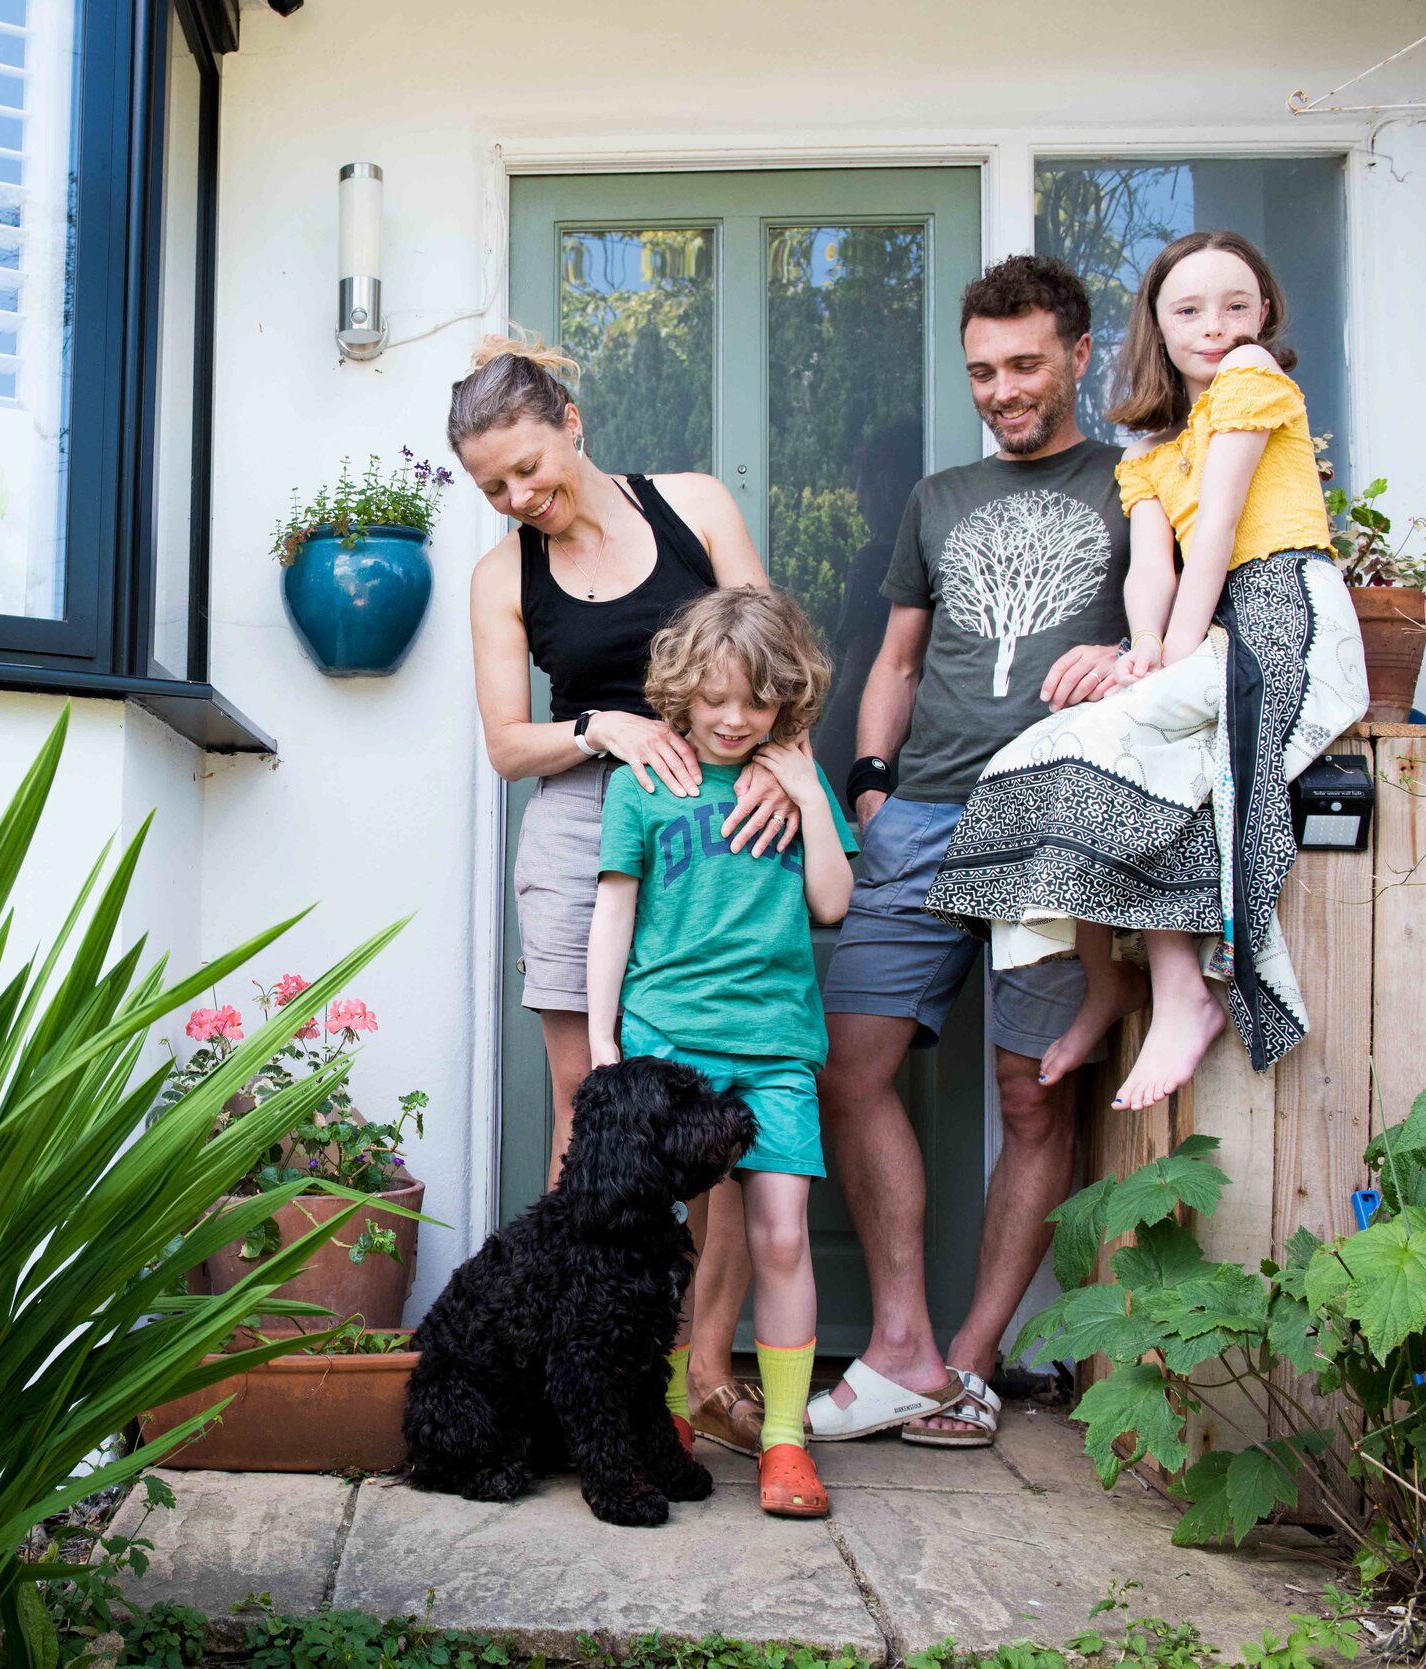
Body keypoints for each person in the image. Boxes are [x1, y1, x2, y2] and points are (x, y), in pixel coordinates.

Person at [811, 255, 1138, 1448]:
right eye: (981, 371)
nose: (1000, 389)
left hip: (1053, 811)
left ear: (1078, 356)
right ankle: (898, 1340)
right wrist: (869, 785)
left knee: (1031, 1090)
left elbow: (1177, 624)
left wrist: (1132, 657)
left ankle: (967, 1358)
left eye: (1023, 366)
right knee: (849, 1064)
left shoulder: (1134, 480)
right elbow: (895, 659)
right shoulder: (937, 499)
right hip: (924, 811)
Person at [925, 232, 1368, 1111]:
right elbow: (1151, 567)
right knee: (1050, 752)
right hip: (1207, 626)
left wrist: (1163, 657)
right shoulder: (1150, 452)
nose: (1216, 327)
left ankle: (1182, 994)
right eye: (1189, 310)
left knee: (1135, 745)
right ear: (1156, 329)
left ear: (1266, 313)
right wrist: (1142, 650)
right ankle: (1145, 985)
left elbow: (1218, 534)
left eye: (1237, 306)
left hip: (1281, 612)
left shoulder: (1252, 383)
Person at [452, 334, 796, 1455]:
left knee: (719, 1099)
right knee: (586, 1100)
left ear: (572, 420)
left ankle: (702, 1370)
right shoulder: (502, 575)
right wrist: (594, 724)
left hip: (721, 822)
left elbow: (776, 659)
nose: (517, 496)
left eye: (526, 467)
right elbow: (508, 744)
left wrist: (789, 777)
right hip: (578, 821)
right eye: (491, 485)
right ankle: (600, 1371)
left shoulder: (691, 505)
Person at [586, 587, 858, 1518]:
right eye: (714, 699)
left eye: (757, 702)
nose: (734, 719)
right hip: (666, 1045)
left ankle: (785, 1443)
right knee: (665, 1246)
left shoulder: (793, 785)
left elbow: (831, 902)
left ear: (786, 703)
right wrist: (601, 1039)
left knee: (781, 1234)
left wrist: (810, 791)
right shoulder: (644, 784)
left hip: (776, 1046)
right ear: (681, 693)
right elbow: (614, 910)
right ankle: (667, 1416)